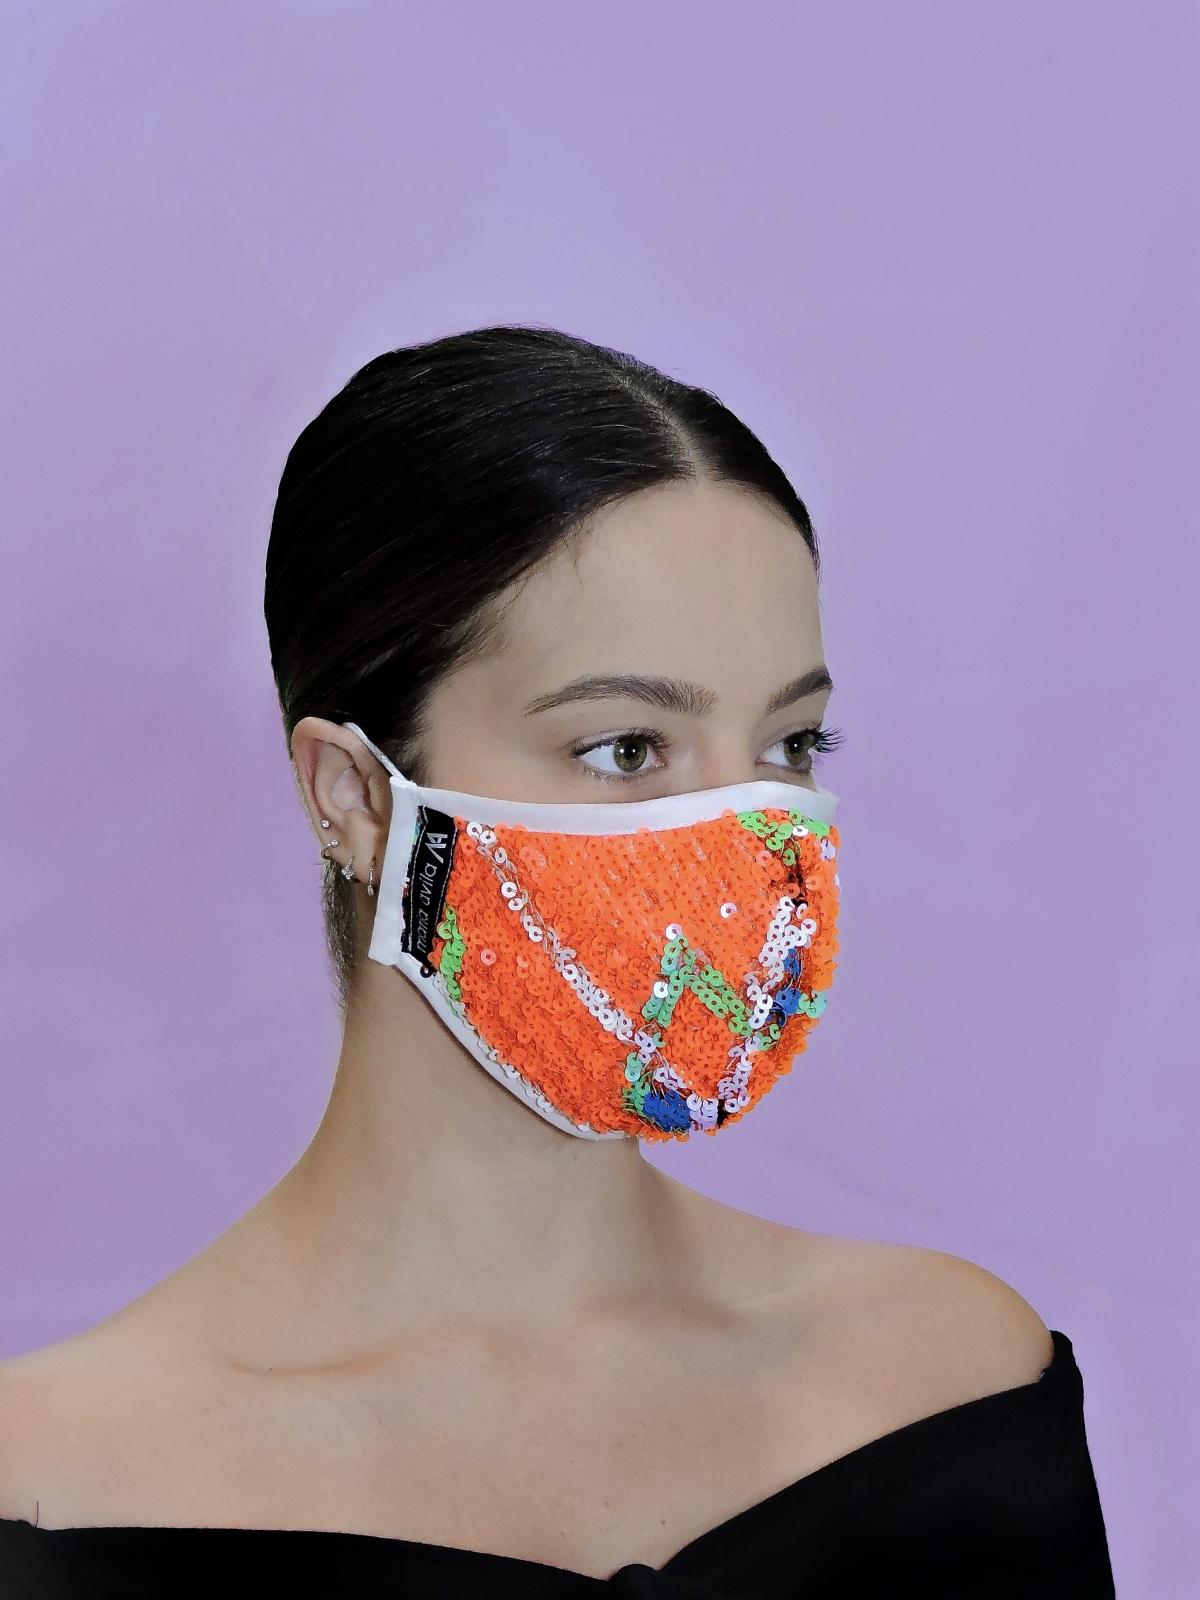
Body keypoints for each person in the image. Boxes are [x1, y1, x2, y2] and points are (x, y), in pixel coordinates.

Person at [0, 329, 1113, 1596]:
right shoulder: (56, 1488)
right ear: (357, 796)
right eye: (625, 748)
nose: (748, 841)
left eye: (790, 744)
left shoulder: (954, 1386)